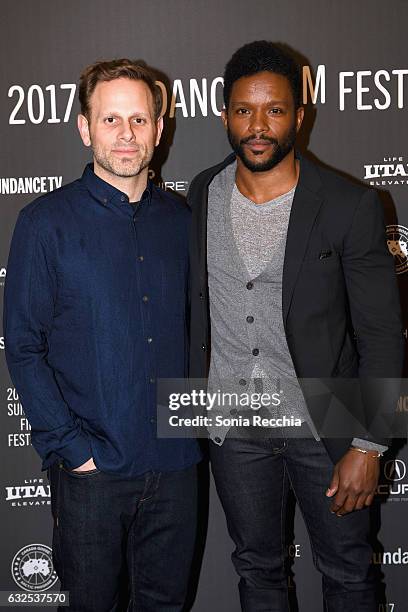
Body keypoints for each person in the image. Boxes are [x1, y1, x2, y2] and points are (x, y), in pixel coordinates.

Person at [188, 41, 403, 611]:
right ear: (224, 112)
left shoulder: (349, 205)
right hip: (234, 424)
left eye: (275, 110)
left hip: (328, 419)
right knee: (257, 571)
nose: (258, 126)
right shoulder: (200, 195)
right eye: (244, 110)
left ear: (299, 116)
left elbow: (383, 334)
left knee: (349, 573)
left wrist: (370, 442)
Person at [4, 58, 200, 612]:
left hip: (177, 467)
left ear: (159, 130)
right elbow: (22, 343)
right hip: (91, 473)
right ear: (86, 128)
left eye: (139, 120)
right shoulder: (45, 223)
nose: (126, 134)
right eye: (110, 120)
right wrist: (71, 449)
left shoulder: (182, 221)